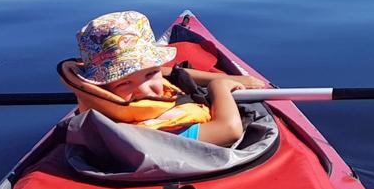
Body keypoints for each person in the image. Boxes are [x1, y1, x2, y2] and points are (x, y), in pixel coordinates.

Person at [58, 11, 264, 147]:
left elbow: (163, 73)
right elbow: (229, 129)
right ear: (100, 88)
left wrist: (217, 76)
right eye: (124, 82)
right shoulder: (145, 134)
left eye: (150, 74)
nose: (146, 90)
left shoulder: (104, 98)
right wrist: (220, 86)